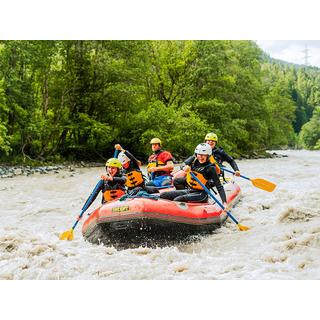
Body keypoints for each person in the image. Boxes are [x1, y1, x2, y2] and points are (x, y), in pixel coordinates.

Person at [160, 143, 227, 205]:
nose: (200, 157)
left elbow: (219, 186)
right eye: (199, 154)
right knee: (163, 195)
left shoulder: (211, 168)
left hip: (201, 194)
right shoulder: (193, 160)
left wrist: (224, 202)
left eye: (203, 155)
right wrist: (184, 167)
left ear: (208, 155)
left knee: (178, 199)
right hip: (189, 190)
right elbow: (182, 165)